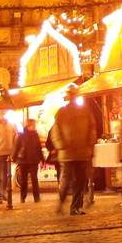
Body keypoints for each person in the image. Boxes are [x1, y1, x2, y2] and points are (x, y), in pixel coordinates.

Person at [52, 86, 95, 215]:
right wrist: (61, 145)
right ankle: (61, 202)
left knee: (80, 181)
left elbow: (92, 129)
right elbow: (55, 131)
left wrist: (90, 145)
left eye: (74, 94)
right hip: (68, 153)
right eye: (71, 94)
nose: (72, 96)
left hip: (82, 152)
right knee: (66, 181)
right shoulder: (62, 112)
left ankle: (75, 207)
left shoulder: (85, 111)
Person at [13, 119, 44, 203]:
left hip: (33, 160)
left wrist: (42, 159)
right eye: (34, 125)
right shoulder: (21, 135)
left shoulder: (35, 135)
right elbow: (16, 147)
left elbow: (39, 148)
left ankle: (36, 198)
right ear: (29, 126)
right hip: (24, 161)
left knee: (34, 179)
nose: (35, 127)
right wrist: (14, 158)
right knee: (24, 180)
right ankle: (23, 197)